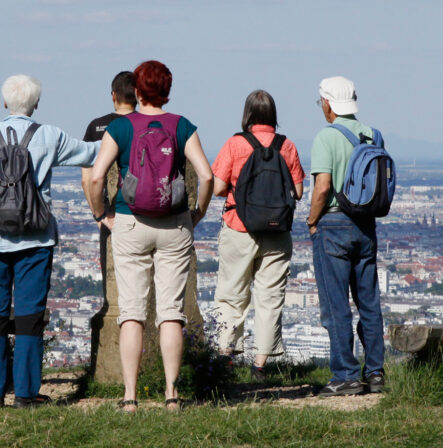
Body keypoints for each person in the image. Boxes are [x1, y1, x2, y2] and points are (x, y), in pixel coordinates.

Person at [0, 75, 99, 408]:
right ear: (36, 104)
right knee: (29, 316)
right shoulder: (48, 135)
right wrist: (123, 133)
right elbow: (90, 153)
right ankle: (25, 393)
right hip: (35, 237)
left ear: (4, 103)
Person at [87, 60, 214, 412]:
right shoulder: (182, 126)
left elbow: (97, 178)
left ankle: (130, 397)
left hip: (129, 222)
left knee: (132, 312)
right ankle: (172, 395)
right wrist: (197, 213)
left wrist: (103, 214)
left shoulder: (120, 127)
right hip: (174, 224)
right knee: (171, 312)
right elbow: (206, 176)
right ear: (168, 91)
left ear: (137, 91)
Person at [210, 90, 305, 379]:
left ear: (248, 114)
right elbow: (298, 191)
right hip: (277, 232)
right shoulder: (286, 146)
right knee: (270, 298)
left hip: (239, 228)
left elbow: (216, 187)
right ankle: (260, 365)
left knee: (231, 296)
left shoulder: (235, 144)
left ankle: (226, 357)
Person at [305, 76, 386, 396]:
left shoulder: (326, 138)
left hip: (334, 224)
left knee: (335, 304)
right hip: (366, 225)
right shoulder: (373, 135)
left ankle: (346, 375)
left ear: (327, 103)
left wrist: (312, 221)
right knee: (369, 302)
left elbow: (322, 186)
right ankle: (375, 372)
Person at [80, 71, 137, 218]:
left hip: (110, 211)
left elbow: (87, 180)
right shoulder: (149, 125)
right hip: (143, 209)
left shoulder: (96, 126)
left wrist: (98, 215)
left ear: (113, 95)